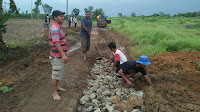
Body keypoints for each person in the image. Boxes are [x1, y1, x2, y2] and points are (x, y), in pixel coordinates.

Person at [49, 10, 68, 101]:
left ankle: (57, 87)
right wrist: (63, 55)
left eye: (62, 16)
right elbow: (56, 43)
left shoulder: (59, 27)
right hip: (57, 56)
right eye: (60, 16)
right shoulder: (55, 28)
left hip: (60, 55)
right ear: (55, 18)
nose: (62, 17)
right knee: (55, 74)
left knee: (59, 72)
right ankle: (54, 93)